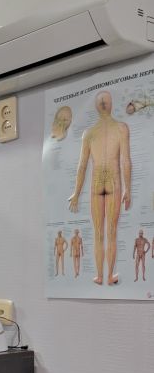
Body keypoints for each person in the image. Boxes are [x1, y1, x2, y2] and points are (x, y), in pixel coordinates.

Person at [68, 90, 131, 286]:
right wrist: (128, 189)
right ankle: (109, 276)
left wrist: (76, 193)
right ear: (110, 105)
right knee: (111, 232)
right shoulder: (120, 128)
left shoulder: (89, 133)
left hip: (97, 183)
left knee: (98, 233)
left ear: (97, 107)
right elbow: (125, 161)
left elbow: (82, 166)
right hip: (113, 182)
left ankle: (99, 276)